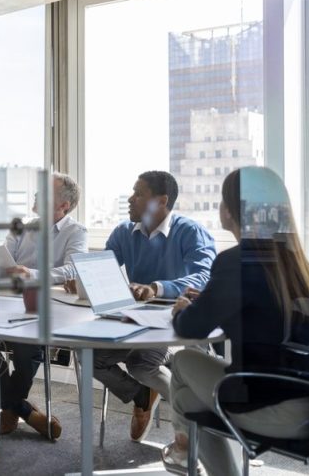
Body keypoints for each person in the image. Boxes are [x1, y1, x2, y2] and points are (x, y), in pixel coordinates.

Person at [161, 167, 309, 475]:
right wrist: (210, 300)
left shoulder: (235, 262)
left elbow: (189, 329)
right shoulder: (289, 260)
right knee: (189, 399)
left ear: (229, 211)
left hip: (275, 406)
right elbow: (258, 308)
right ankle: (188, 452)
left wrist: (182, 309)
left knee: (184, 360)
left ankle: (182, 449)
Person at [93, 171, 216, 442]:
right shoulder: (124, 232)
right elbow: (102, 269)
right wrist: (82, 280)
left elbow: (204, 277)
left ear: (161, 201)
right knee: (88, 356)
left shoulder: (190, 231)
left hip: (176, 323)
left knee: (141, 364)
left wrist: (157, 288)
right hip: (135, 320)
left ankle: (203, 418)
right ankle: (141, 395)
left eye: (139, 194)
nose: (130, 199)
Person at [0, 172, 87, 440]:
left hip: (42, 307)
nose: (36, 195)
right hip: (6, 300)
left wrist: (31, 273)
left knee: (26, 345)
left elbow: (72, 269)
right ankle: (20, 407)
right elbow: (4, 259)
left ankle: (10, 407)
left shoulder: (76, 232)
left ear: (63, 205)